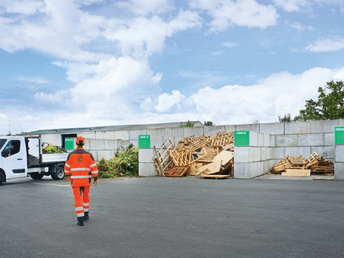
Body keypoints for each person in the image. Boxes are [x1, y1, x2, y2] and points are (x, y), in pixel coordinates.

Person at [64, 136, 98, 226]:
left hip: (75, 182)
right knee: (86, 197)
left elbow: (66, 169)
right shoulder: (89, 155)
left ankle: (80, 219)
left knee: (78, 199)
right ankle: (86, 215)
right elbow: (94, 168)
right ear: (84, 143)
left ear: (76, 143)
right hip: (86, 181)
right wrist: (95, 178)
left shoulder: (71, 155)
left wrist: (68, 176)